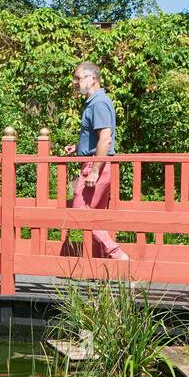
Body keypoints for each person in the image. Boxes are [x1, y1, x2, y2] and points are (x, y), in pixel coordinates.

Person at [63, 62, 130, 261]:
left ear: (93, 79)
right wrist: (80, 148)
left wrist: (94, 170)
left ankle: (117, 254)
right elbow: (97, 137)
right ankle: (101, 269)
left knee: (80, 213)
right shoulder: (94, 102)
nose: (76, 82)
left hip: (96, 166)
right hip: (95, 162)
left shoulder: (98, 103)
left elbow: (106, 138)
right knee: (94, 218)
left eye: (78, 78)